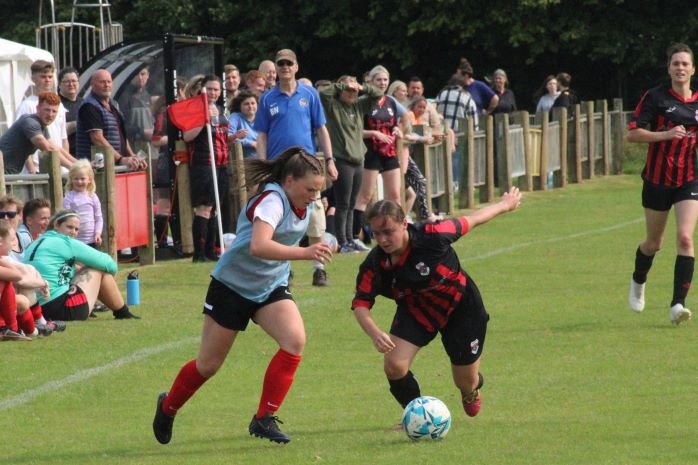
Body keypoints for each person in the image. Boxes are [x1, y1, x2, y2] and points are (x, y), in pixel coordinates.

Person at [152, 148, 331, 445]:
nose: (314, 196)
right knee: (208, 365)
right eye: (310, 189)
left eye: (318, 190)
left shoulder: (306, 202)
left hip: (269, 287)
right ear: (289, 181)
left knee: (294, 340)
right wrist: (305, 253)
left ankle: (263, 418)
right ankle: (168, 406)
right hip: (231, 287)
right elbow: (258, 246)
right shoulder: (272, 201)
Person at [351, 187, 521, 421]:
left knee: (465, 381)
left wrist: (506, 205)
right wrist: (374, 333)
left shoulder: (434, 235)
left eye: (388, 231)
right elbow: (360, 303)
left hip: (461, 307)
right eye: (376, 233)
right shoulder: (375, 264)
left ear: (404, 223)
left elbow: (472, 219)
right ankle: (417, 416)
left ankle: (472, 389)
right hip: (417, 310)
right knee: (394, 365)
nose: (382, 239)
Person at [626, 42, 698, 325]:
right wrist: (665, 135)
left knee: (685, 238)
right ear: (668, 68)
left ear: (693, 69)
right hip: (657, 180)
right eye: (675, 63)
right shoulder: (655, 98)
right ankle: (638, 279)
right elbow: (633, 135)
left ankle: (677, 305)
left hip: (689, 178)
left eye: (685, 63)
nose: (680, 68)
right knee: (654, 243)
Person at [254, 48, 337, 287]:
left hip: (307, 164)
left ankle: (319, 268)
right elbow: (262, 135)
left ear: (296, 67)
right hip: (279, 166)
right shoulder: (268, 98)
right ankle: (284, 269)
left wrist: (329, 160)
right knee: (281, 218)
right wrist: (263, 165)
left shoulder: (309, 95)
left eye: (289, 63)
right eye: (281, 64)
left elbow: (321, 129)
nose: (285, 67)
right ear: (276, 68)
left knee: (315, 213)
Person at [23, 210, 140, 320]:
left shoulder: (36, 242)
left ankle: (118, 311)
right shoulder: (65, 242)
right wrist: (106, 278)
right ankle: (123, 312)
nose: (73, 232)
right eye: (69, 227)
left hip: (37, 309)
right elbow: (109, 264)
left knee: (81, 270)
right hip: (60, 308)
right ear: (56, 225)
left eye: (76, 229)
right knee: (98, 268)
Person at [319, 75, 382, 253]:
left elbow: (378, 95)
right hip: (342, 159)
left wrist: (362, 87)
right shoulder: (333, 106)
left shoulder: (358, 105)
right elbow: (323, 94)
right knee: (342, 203)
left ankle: (351, 239)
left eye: (353, 90)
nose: (351, 92)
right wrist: (342, 85)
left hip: (358, 159)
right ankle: (343, 241)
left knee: (353, 202)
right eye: (348, 90)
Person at [353, 65, 403, 250]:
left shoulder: (390, 101)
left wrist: (398, 129)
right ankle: (354, 237)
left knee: (395, 196)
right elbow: (355, 130)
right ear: (370, 81)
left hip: (389, 152)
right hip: (371, 153)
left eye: (384, 80)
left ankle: (398, 230)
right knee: (365, 195)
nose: (382, 83)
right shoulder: (363, 102)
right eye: (378, 80)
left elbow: (401, 122)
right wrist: (374, 133)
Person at [182, 75, 231, 263]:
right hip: (204, 164)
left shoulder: (220, 110)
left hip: (221, 164)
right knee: (204, 208)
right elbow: (188, 136)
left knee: (214, 209)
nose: (213, 93)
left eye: (216, 89)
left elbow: (222, 139)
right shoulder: (196, 110)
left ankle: (211, 250)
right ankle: (199, 253)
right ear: (203, 89)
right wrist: (204, 120)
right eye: (210, 89)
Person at [75, 69, 147, 171]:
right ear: (92, 84)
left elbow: (122, 136)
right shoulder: (89, 106)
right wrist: (121, 159)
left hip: (114, 167)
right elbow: (97, 138)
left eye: (109, 82)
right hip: (96, 170)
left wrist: (132, 156)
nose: (106, 85)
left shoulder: (114, 105)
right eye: (102, 82)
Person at [15, 60, 75, 174]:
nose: (47, 80)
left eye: (50, 76)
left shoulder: (59, 105)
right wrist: (31, 168)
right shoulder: (27, 105)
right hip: (37, 168)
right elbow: (21, 140)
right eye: (43, 76)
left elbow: (63, 139)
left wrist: (68, 165)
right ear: (33, 78)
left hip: (58, 165)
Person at [0, 92, 75, 174]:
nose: (50, 114)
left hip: (8, 173)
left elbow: (56, 148)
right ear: (38, 108)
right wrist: (73, 168)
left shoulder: (42, 126)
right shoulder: (30, 122)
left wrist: (79, 164)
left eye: (54, 111)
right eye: (47, 110)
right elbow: (49, 149)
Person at [63, 160, 103, 247]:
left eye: (82, 179)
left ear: (89, 179)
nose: (79, 182)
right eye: (76, 179)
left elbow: (98, 218)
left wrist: (98, 233)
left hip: (92, 239)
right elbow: (66, 219)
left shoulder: (92, 196)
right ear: (71, 179)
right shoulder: (69, 197)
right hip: (75, 240)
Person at [118, 66, 154, 152]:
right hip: (131, 147)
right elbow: (120, 125)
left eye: (143, 74)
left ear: (148, 75)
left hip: (149, 147)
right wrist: (142, 132)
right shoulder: (124, 96)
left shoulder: (147, 96)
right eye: (136, 74)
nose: (140, 78)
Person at [58, 66, 82, 156]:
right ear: (59, 84)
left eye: (74, 81)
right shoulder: (55, 103)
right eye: (67, 81)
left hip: (84, 154)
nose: (71, 84)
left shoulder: (85, 103)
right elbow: (55, 130)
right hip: (65, 156)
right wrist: (79, 124)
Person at [227, 91, 259, 159]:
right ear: (240, 106)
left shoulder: (262, 118)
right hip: (242, 162)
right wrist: (250, 143)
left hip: (262, 159)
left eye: (253, 103)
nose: (250, 106)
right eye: (246, 104)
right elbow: (228, 137)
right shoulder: (235, 117)